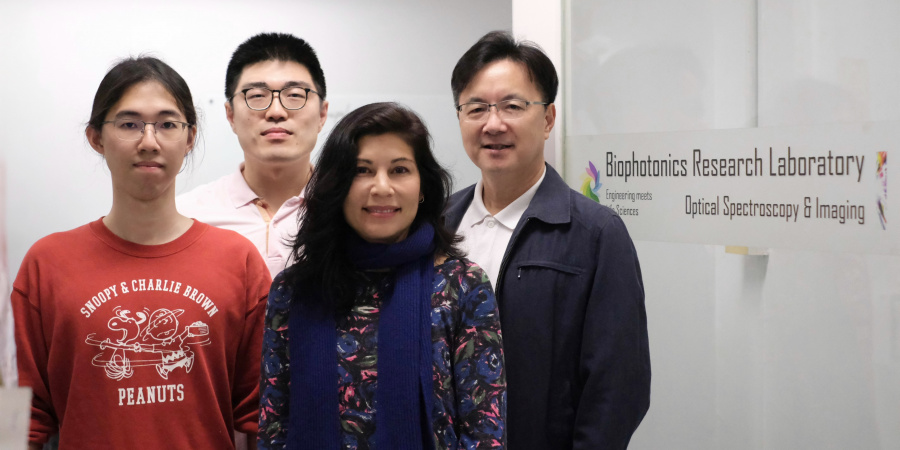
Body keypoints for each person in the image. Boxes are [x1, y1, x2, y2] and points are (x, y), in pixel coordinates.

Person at [12, 57, 271, 449]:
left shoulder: (239, 262)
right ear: (96, 138)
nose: (149, 142)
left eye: (167, 124)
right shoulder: (46, 264)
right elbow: (19, 416)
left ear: (189, 138)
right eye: (129, 124)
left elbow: (263, 418)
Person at [443, 31, 651, 450]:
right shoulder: (435, 226)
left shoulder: (595, 233)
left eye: (513, 106)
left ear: (548, 118)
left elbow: (617, 389)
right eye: (476, 108)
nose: (493, 123)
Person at [258, 102, 506, 450]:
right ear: (338, 185)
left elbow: (484, 433)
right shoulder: (292, 291)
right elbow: (274, 428)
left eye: (400, 170)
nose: (382, 187)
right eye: (362, 170)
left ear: (423, 187)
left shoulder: (463, 286)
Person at [178, 32, 329, 277]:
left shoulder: (349, 209)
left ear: (322, 114)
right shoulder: (185, 217)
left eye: (295, 96)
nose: (276, 112)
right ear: (231, 116)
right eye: (257, 96)